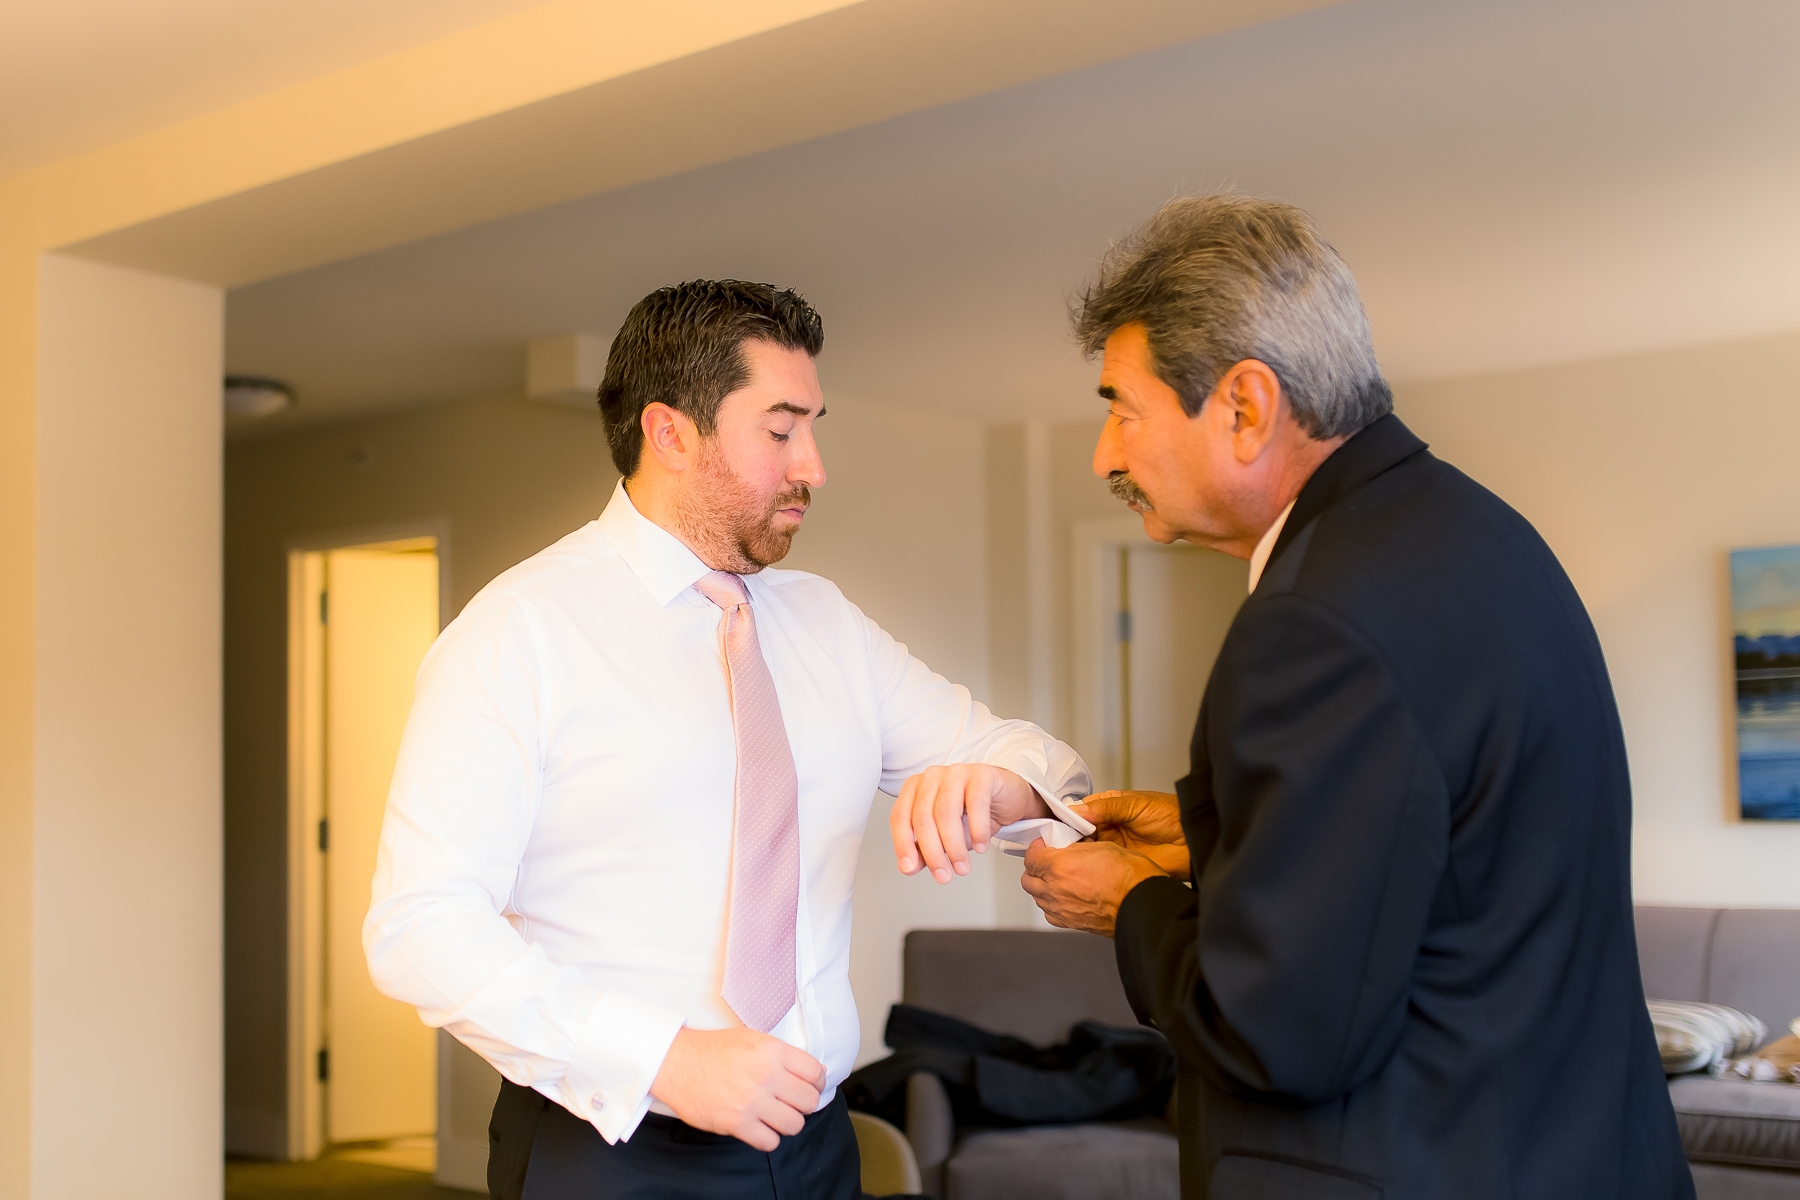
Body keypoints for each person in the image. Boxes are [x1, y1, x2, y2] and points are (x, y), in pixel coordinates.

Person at [1017, 196, 1692, 1199]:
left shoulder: (1311, 623)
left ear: (1243, 405)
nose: (1105, 456)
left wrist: (1131, 903)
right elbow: (1439, 871)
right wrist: (1224, 849)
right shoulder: (1481, 535)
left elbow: (1279, 1034)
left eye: (1123, 407)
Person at [363, 279, 1089, 1200]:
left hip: (819, 1148)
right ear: (670, 433)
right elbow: (419, 927)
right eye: (781, 431)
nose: (814, 466)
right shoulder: (520, 631)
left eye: (814, 427)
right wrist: (664, 1060)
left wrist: (998, 790)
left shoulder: (825, 623)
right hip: (617, 1149)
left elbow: (1045, 764)